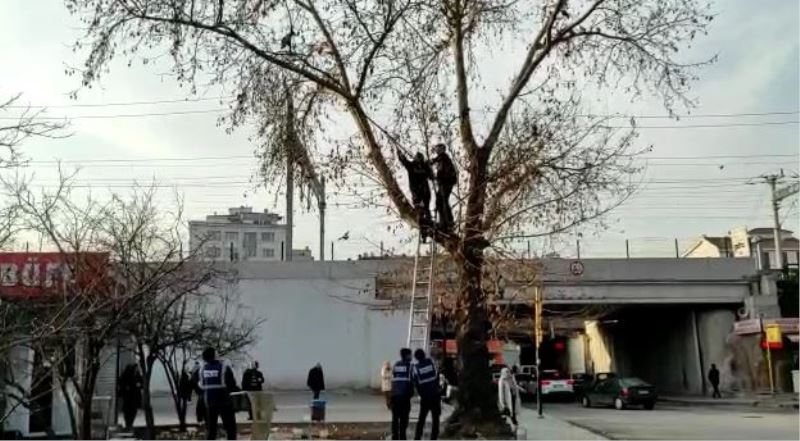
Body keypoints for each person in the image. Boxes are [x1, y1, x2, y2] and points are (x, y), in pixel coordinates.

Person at [191, 348, 238, 440]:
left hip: (209, 402)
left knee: (211, 429)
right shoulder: (224, 367)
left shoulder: (201, 369)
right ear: (215, 355)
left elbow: (196, 383)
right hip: (224, 401)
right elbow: (232, 384)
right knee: (230, 428)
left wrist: (202, 393)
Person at [397, 148, 434, 240]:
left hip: (424, 192)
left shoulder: (424, 167)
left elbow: (432, 177)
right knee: (420, 211)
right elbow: (404, 161)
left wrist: (429, 167)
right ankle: (424, 231)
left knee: (426, 210)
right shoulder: (412, 165)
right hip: (417, 193)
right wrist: (399, 153)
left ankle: (429, 228)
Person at [412, 349, 441, 440]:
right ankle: (434, 437)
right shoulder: (431, 363)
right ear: (424, 355)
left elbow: (416, 383)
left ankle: (417, 437)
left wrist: (421, 394)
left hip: (425, 396)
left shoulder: (416, 368)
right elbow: (437, 376)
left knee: (422, 418)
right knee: (435, 418)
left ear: (416, 358)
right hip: (435, 395)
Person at [430, 143, 457, 231]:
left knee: (443, 201)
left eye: (438, 149)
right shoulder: (442, 158)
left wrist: (439, 178)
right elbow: (435, 161)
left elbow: (444, 170)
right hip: (443, 183)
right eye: (436, 149)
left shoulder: (444, 158)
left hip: (446, 183)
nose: (437, 151)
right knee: (439, 201)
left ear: (442, 149)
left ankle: (448, 222)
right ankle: (443, 222)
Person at [391, 348, 414, 440]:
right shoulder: (410, 366)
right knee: (404, 418)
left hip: (395, 395)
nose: (411, 356)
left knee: (395, 417)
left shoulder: (396, 365)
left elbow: (393, 378)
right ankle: (402, 436)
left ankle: (395, 436)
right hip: (404, 395)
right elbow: (413, 380)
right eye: (410, 355)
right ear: (407, 356)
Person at [118, 363, 143, 431]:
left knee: (132, 411)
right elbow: (121, 383)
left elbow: (142, 383)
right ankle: (128, 424)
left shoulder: (137, 375)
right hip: (129, 397)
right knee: (128, 411)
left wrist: (139, 385)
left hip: (134, 396)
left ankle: (129, 424)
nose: (137, 370)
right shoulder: (127, 375)